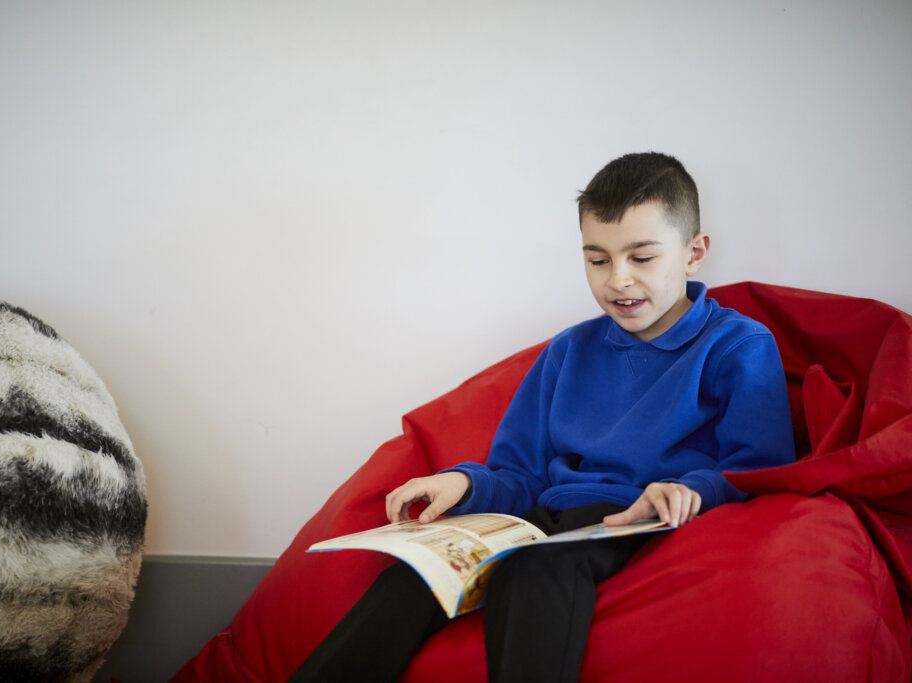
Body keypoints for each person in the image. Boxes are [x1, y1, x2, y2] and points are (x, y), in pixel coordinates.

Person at [290, 152, 796, 682]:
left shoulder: (737, 345)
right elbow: (520, 474)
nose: (618, 280)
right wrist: (464, 484)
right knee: (413, 577)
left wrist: (693, 489)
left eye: (641, 258)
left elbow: (759, 469)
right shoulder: (568, 351)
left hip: (639, 520)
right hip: (547, 519)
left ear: (694, 254)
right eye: (597, 260)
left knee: (536, 569)